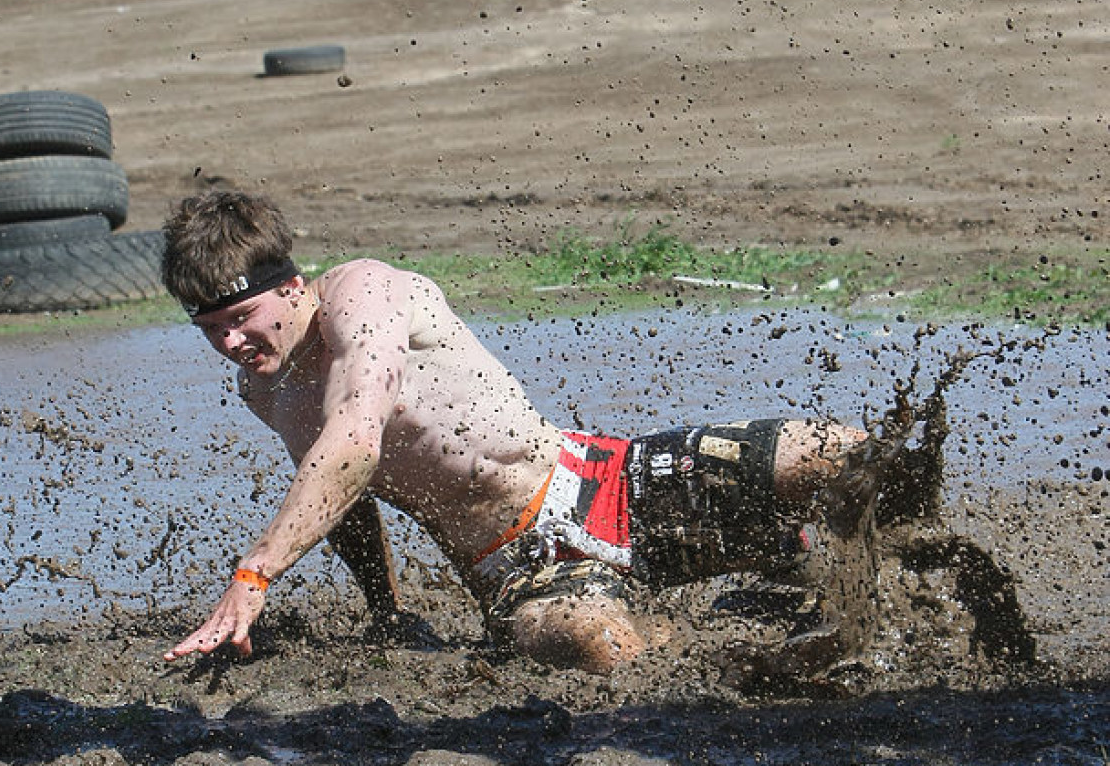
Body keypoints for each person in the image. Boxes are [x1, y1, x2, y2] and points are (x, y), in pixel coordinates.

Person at [158, 191, 915, 676]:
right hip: (513, 566)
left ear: (289, 286)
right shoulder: (263, 388)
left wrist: (256, 571)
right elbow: (341, 489)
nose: (230, 343)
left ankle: (849, 572)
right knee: (605, 650)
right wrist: (386, 612)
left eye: (239, 319)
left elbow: (356, 436)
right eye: (210, 330)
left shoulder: (364, 293)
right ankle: (732, 619)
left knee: (840, 451)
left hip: (606, 482)